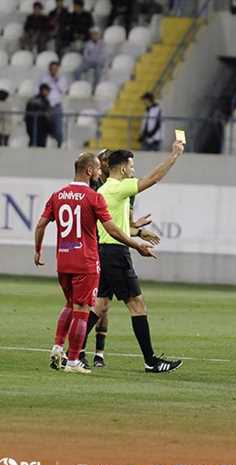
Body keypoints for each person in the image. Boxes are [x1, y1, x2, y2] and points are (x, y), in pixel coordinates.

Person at [33, 152, 156, 374]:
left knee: (70, 304)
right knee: (82, 309)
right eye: (98, 169)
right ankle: (73, 361)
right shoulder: (94, 197)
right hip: (86, 260)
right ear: (89, 171)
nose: (101, 173)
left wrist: (37, 251)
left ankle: (57, 347)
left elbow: (41, 225)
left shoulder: (58, 195)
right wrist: (136, 244)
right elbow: (112, 230)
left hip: (63, 259)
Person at [79, 142, 186, 373]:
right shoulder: (119, 188)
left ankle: (73, 351)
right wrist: (174, 155)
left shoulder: (105, 189)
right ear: (124, 168)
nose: (134, 170)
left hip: (105, 252)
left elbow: (115, 224)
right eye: (132, 165)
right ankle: (151, 361)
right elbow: (154, 178)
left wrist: (137, 230)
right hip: (116, 253)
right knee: (137, 305)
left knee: (100, 304)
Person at [38, 61, 68, 147]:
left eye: (55, 69)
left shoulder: (62, 79)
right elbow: (41, 90)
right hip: (45, 106)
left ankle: (59, 145)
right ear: (49, 69)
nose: (54, 70)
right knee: (44, 128)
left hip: (56, 106)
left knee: (58, 129)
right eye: (52, 69)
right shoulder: (44, 78)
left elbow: (63, 90)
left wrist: (56, 80)